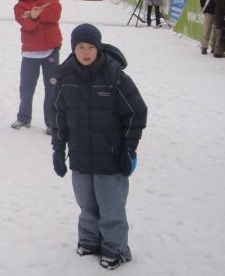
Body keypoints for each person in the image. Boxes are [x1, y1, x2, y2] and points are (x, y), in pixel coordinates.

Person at [51, 24, 147, 270]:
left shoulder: (114, 76)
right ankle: (90, 241)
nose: (85, 52)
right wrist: (58, 151)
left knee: (111, 207)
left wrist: (128, 149)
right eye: (80, 47)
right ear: (73, 50)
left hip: (110, 159)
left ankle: (115, 249)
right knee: (87, 205)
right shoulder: (66, 78)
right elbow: (60, 117)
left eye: (91, 47)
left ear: (99, 47)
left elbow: (137, 112)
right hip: (81, 157)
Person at [11, 0, 62, 133]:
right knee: (26, 88)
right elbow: (28, 26)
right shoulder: (19, 7)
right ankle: (23, 118)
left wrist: (37, 14)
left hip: (51, 51)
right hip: (30, 54)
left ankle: (51, 123)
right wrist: (32, 18)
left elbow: (55, 14)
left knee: (52, 89)